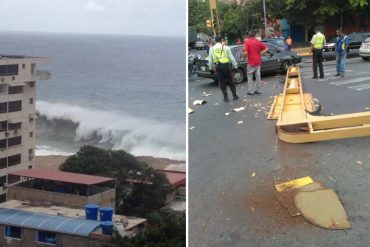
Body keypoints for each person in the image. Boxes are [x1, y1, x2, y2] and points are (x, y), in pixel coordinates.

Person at [209, 35, 239, 102]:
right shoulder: (226, 47)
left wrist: (211, 68)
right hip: (226, 66)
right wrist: (235, 66)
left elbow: (210, 60)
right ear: (221, 40)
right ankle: (234, 96)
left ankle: (226, 98)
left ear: (215, 40)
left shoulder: (212, 49)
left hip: (218, 67)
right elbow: (231, 58)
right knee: (230, 80)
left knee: (222, 82)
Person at [243, 31, 268, 95]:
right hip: (258, 62)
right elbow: (266, 48)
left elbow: (245, 52)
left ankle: (251, 91)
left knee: (249, 76)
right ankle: (258, 90)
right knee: (258, 76)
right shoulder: (258, 42)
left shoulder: (247, 42)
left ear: (248, 36)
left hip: (251, 62)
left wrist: (244, 57)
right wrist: (260, 54)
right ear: (254, 36)